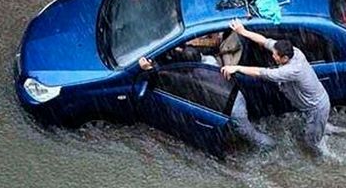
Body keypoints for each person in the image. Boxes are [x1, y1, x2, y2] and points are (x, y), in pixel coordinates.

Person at [138, 37, 274, 151]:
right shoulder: (208, 60)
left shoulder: (192, 78)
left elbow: (164, 78)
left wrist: (150, 69)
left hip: (231, 105)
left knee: (248, 133)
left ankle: (269, 146)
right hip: (235, 94)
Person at [220, 18, 332, 155]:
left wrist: (236, 67)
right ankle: (326, 129)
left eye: (275, 55)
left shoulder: (291, 70)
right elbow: (263, 40)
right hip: (312, 104)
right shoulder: (293, 52)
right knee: (317, 127)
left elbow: (260, 72)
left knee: (312, 143)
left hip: (316, 107)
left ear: (284, 58)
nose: (272, 56)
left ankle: (330, 160)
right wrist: (242, 31)